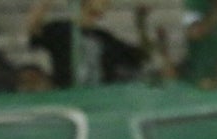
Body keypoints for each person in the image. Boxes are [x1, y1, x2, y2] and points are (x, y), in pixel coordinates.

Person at [26, 0, 154, 88]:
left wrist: (141, 24)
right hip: (69, 98)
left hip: (100, 100)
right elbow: (33, 30)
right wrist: (45, 4)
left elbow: (143, 56)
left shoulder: (104, 38)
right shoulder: (60, 30)